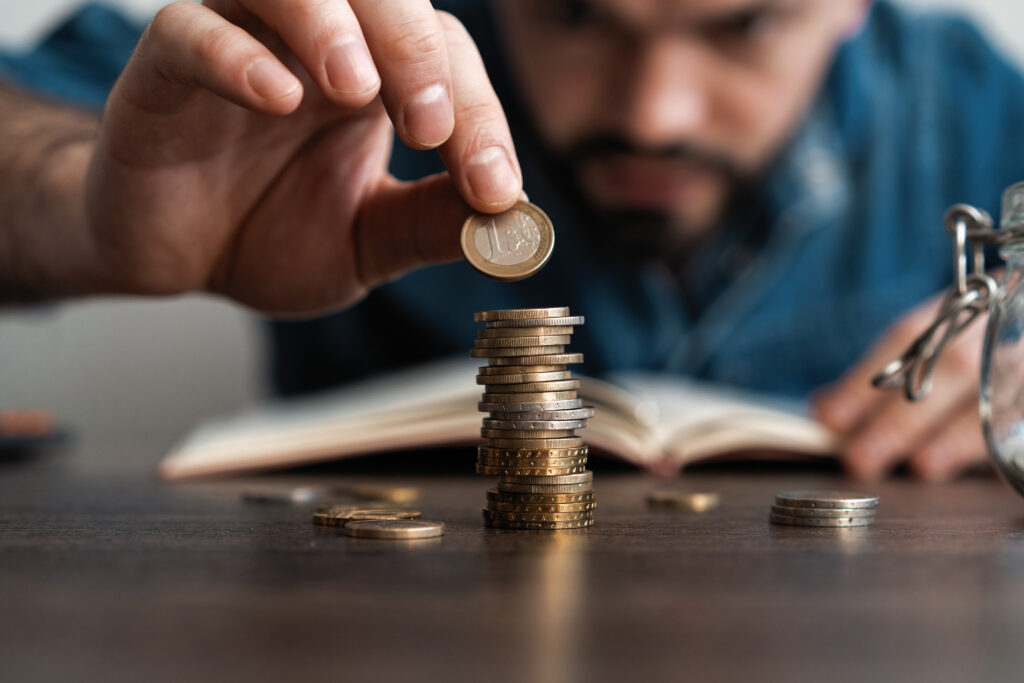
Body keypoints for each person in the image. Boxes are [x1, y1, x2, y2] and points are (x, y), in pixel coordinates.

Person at [0, 0, 1019, 481]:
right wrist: (82, 207)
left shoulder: (970, 106)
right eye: (575, 15)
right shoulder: (351, 57)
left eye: (743, 27)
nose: (654, 113)